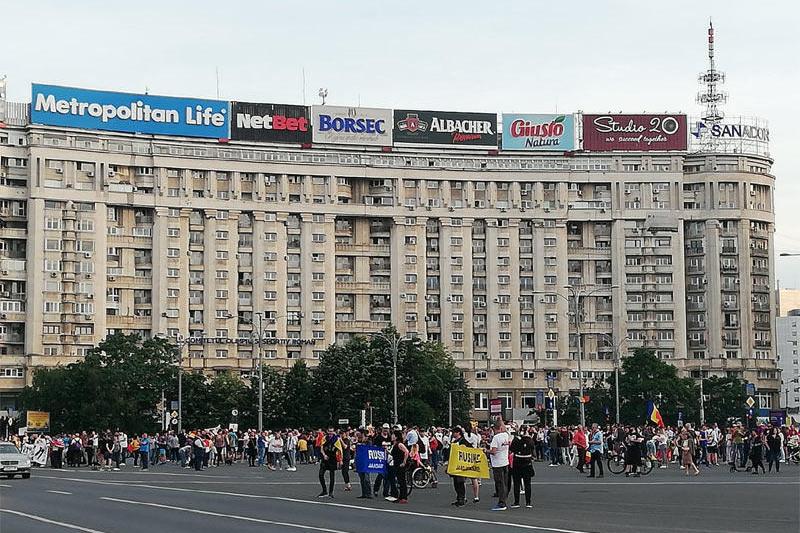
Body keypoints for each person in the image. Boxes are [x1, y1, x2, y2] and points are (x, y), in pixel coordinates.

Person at [488, 418, 511, 511]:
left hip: (497, 463)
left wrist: (486, 450)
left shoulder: (496, 438)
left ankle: (502, 503)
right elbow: (504, 429)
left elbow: (493, 451)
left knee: (500, 483)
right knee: (504, 483)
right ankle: (504, 499)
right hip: (505, 462)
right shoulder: (506, 435)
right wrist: (500, 421)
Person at [509, 426, 535, 509]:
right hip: (527, 463)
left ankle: (516, 502)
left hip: (517, 462)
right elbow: (532, 450)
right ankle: (528, 502)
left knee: (516, 483)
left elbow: (512, 449)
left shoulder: (516, 439)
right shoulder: (530, 440)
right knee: (528, 483)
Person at [448, 426, 469, 507]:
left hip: (461, 465)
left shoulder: (463, 441)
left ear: (458, 433)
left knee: (460, 482)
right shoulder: (454, 441)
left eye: (454, 432)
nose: (453, 434)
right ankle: (458, 498)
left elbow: (469, 450)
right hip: (455, 465)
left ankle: (462, 498)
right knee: (456, 483)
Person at [318, 428, 343, 498]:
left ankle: (331, 492)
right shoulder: (324, 438)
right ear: (327, 431)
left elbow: (339, 450)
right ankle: (324, 490)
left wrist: (340, 460)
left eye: (332, 431)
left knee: (332, 476)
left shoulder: (336, 439)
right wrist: (324, 455)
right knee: (320, 474)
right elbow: (321, 448)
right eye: (329, 431)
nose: (330, 433)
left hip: (333, 458)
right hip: (325, 458)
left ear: (334, 432)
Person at [388, 429, 410, 503]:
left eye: (393, 435)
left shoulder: (400, 444)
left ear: (396, 437)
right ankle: (400, 496)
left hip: (400, 464)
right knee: (399, 481)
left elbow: (406, 452)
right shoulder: (395, 445)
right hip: (396, 463)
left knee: (402, 481)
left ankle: (404, 497)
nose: (392, 436)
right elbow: (393, 454)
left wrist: (404, 462)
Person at [464, 425, 482, 503]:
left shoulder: (463, 436)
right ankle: (476, 496)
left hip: (464, 457)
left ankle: (464, 496)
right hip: (473, 457)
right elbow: (477, 446)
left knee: (463, 479)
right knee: (474, 479)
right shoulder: (475, 436)